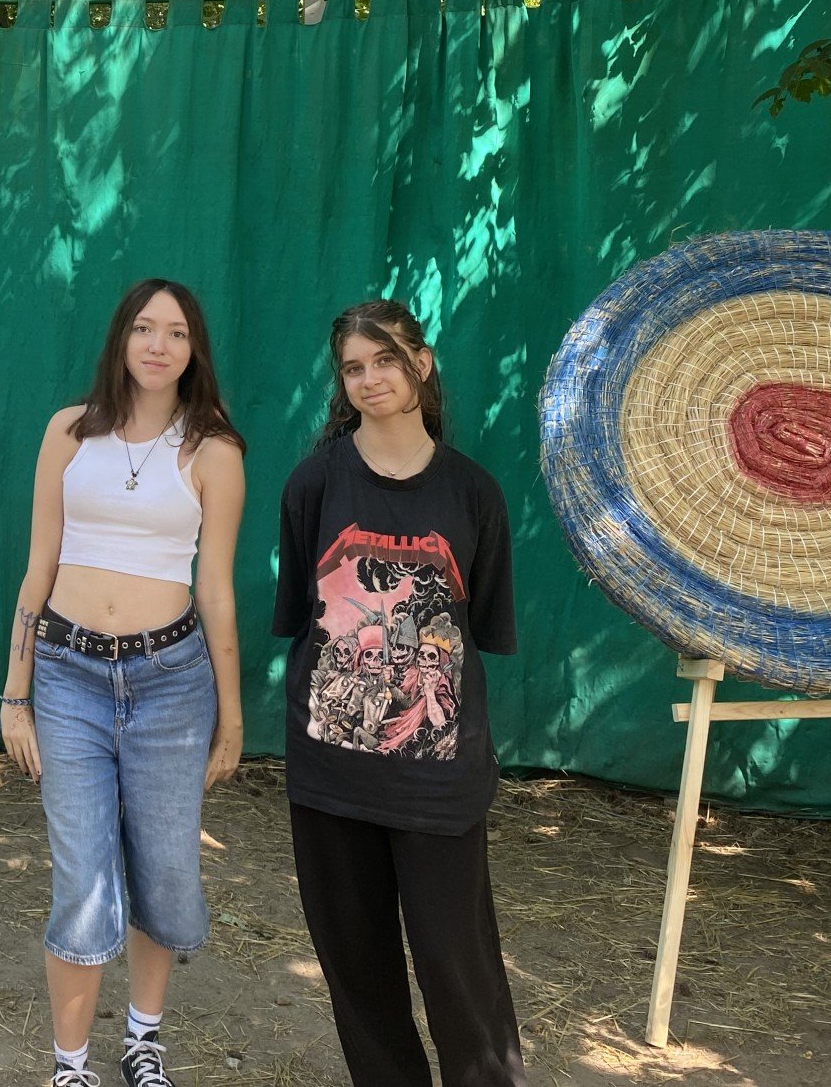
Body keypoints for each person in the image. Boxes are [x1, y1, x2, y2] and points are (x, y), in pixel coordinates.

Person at [0, 278, 247, 1087]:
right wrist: (15, 693)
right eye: (144, 328)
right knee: (82, 877)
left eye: (175, 332)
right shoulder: (68, 432)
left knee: (167, 872)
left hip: (172, 684)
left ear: (193, 349)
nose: (157, 344)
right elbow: (38, 567)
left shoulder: (215, 451)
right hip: (67, 677)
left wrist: (232, 718)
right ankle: (70, 1066)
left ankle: (143, 1039)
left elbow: (216, 590)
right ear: (121, 339)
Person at [273, 299, 526, 1087]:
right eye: (353, 367)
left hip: (439, 784)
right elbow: (303, 617)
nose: (370, 378)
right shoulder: (314, 483)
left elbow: (478, 624)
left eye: (385, 359)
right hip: (331, 777)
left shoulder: (474, 492)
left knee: (460, 975)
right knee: (359, 977)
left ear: (422, 361)